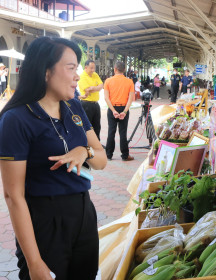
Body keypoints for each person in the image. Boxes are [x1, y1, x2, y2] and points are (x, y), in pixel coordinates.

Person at [0, 37, 107, 280]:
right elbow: (13, 195)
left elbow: (101, 159)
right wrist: (35, 262)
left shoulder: (74, 108)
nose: (77, 76)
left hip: (83, 213)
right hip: (44, 220)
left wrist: (85, 152)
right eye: (71, 68)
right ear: (46, 71)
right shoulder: (16, 120)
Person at [103, 61, 134, 162]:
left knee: (111, 131)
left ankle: (108, 154)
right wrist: (124, 111)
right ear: (124, 70)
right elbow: (130, 99)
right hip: (124, 108)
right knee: (123, 132)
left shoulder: (108, 81)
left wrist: (113, 110)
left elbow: (106, 98)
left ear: (115, 69)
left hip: (112, 109)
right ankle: (125, 155)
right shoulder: (129, 82)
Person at [78, 60, 104, 140]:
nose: (93, 70)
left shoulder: (95, 74)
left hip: (96, 104)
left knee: (97, 126)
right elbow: (88, 90)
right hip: (86, 104)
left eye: (94, 68)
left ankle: (97, 145)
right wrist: (96, 88)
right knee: (88, 127)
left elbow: (101, 85)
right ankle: (88, 145)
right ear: (86, 67)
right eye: (91, 68)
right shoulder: (82, 76)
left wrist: (93, 88)